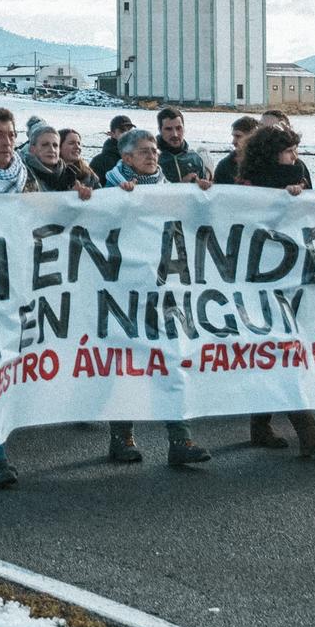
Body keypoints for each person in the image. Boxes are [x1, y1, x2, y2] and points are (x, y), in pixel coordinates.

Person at [0, 107, 94, 486]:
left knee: (14, 369)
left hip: (21, 292)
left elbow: (43, 226)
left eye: (11, 134)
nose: (8, 142)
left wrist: (79, 203)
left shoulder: (27, 182)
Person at [103, 128, 214, 470]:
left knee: (171, 360)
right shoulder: (107, 189)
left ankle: (180, 439)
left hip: (167, 291)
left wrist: (205, 197)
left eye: (154, 150)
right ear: (126, 158)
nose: (153, 155)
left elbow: (200, 226)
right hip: (123, 292)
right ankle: (122, 437)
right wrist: (118, 204)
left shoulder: (171, 191)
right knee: (125, 364)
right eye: (144, 151)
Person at [236, 124, 315, 458]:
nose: (295, 157)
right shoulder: (249, 185)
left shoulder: (298, 179)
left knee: (276, 352)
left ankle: (259, 425)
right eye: (289, 151)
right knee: (282, 350)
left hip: (289, 278)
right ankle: (307, 432)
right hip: (259, 281)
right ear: (272, 153)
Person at [155, 107, 211, 186]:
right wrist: (181, 186)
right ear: (160, 130)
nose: (175, 134)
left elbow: (204, 194)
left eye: (178, 128)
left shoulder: (195, 158)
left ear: (184, 128)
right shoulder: (152, 159)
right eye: (168, 129)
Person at [22, 122, 86, 191]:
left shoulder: (71, 175)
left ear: (59, 149)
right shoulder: (22, 175)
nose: (51, 149)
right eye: (45, 145)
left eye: (55, 145)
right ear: (32, 149)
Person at [214, 115, 260, 185]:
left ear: (253, 137)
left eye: (238, 136)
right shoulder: (225, 165)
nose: (233, 142)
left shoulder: (265, 165)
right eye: (233, 137)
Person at [90, 114, 135, 184]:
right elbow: (95, 190)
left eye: (130, 130)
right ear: (112, 134)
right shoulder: (99, 162)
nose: (127, 134)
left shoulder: (139, 157)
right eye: (122, 131)